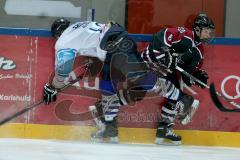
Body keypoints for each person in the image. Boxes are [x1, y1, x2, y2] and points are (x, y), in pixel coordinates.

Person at [43, 18, 203, 144]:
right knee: (107, 85)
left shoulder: (63, 40)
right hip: (113, 42)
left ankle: (183, 99)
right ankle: (110, 127)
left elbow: (62, 73)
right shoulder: (79, 26)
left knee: (139, 79)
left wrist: (51, 87)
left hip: (115, 44)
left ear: (57, 34)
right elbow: (93, 40)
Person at [140, 13, 215, 145]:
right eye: (207, 30)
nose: (209, 34)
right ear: (197, 29)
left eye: (210, 31)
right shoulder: (184, 34)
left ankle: (164, 128)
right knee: (174, 93)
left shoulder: (198, 52)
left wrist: (195, 77)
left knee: (176, 88)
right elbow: (160, 36)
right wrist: (164, 55)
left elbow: (187, 76)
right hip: (151, 62)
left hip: (166, 70)